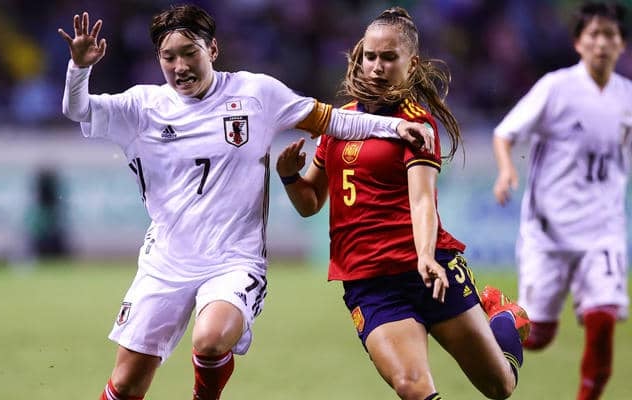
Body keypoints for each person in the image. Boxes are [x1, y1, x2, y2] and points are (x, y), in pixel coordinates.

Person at [57, 4, 434, 400]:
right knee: (126, 383)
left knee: (210, 338)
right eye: (169, 57)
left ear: (212, 50)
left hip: (234, 260)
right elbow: (77, 109)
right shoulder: (141, 107)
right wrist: (79, 68)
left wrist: (395, 127)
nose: (180, 66)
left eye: (189, 53)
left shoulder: (256, 94)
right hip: (166, 262)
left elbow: (332, 120)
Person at [276, 7, 530, 400]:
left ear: (411, 65)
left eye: (389, 57)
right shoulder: (339, 123)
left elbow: (422, 199)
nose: (377, 67)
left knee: (500, 386)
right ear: (359, 58)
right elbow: (310, 203)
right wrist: (290, 176)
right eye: (370, 57)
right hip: (369, 283)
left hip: (430, 271)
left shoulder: (416, 124)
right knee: (413, 387)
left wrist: (425, 255)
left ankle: (505, 320)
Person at [492, 2, 630, 399]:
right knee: (537, 336)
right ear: (578, 43)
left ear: (621, 44)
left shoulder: (627, 97)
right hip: (549, 230)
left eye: (610, 35)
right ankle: (495, 310)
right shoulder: (556, 88)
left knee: (603, 319)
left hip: (603, 229)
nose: (601, 43)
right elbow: (504, 133)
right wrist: (506, 170)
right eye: (594, 34)